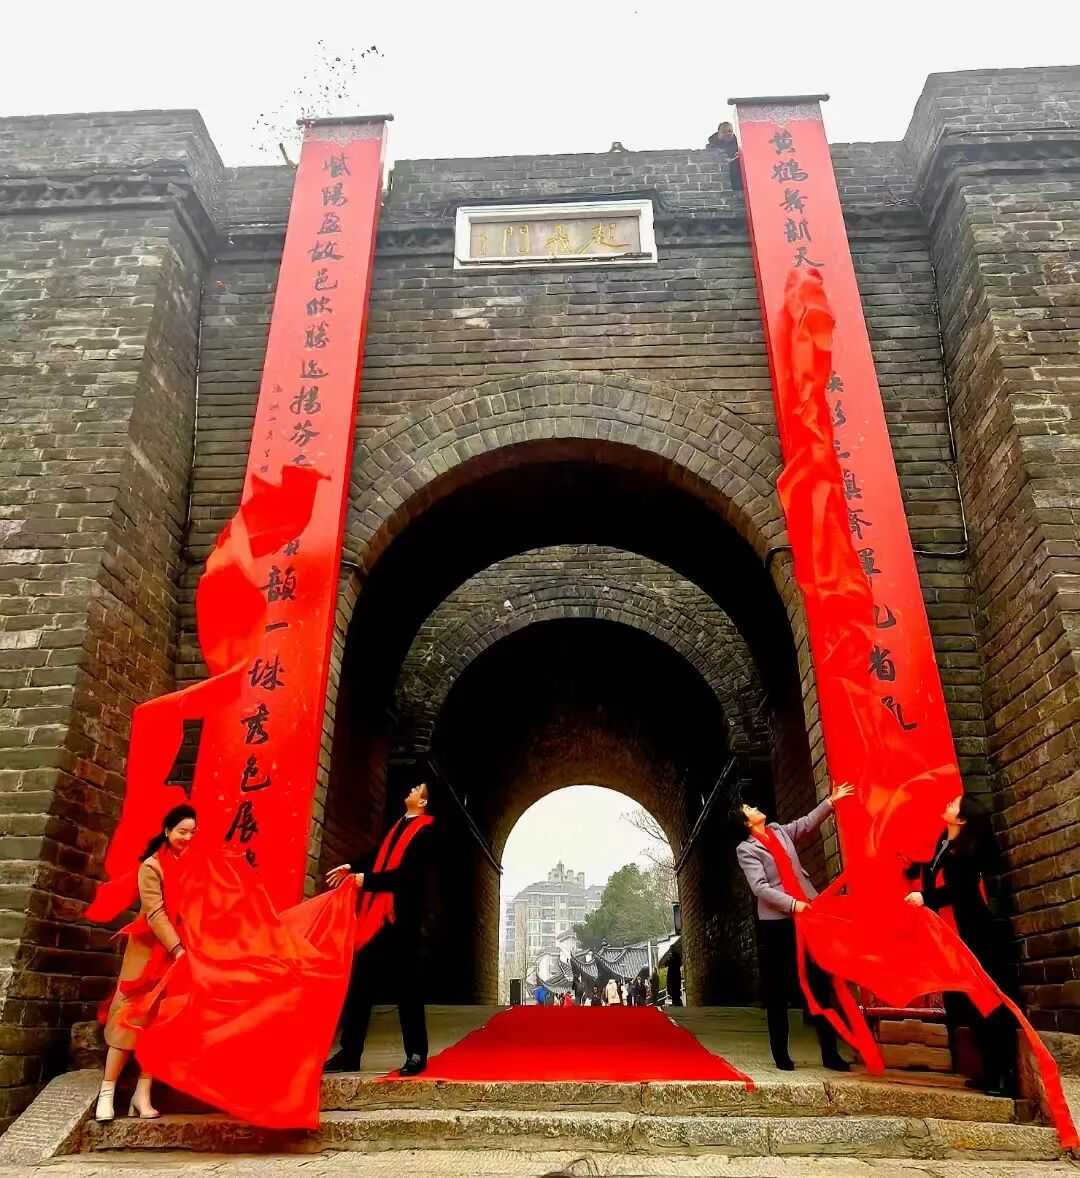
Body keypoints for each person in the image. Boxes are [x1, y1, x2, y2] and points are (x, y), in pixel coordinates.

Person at [734, 784, 854, 1072]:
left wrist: (831, 802)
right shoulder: (746, 849)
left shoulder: (778, 831)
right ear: (746, 823)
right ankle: (781, 1054)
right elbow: (760, 888)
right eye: (748, 809)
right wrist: (791, 905)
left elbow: (805, 824)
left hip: (808, 915)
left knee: (820, 982)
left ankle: (830, 1053)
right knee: (778, 990)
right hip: (779, 924)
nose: (755, 807)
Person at [904, 794, 1018, 1096]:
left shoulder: (967, 853)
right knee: (969, 1004)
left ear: (963, 819)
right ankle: (988, 1071)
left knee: (988, 1004)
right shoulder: (945, 840)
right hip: (953, 934)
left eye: (954, 805)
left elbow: (961, 891)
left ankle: (1004, 1075)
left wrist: (925, 898)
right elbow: (931, 870)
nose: (948, 804)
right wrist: (911, 870)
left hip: (976, 935)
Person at [325, 777, 435, 1076]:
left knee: (407, 988)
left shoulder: (425, 833)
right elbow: (379, 856)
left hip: (401, 919)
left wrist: (367, 881)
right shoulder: (398, 826)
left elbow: (408, 877)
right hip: (376, 919)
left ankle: (416, 1053)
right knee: (361, 984)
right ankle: (350, 1053)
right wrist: (351, 867)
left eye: (417, 790)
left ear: (423, 802)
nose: (411, 789)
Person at [96, 804, 196, 1122]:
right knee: (129, 1017)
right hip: (148, 952)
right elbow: (155, 912)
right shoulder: (152, 866)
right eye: (182, 831)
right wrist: (177, 947)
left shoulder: (192, 867)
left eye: (193, 833)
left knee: (160, 1023)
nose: (188, 838)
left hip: (180, 952)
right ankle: (107, 1092)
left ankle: (143, 1092)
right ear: (167, 831)